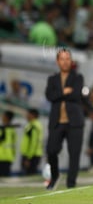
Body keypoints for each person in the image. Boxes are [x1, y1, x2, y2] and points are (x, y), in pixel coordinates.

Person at [45, 48, 85, 190]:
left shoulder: (78, 77)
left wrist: (59, 94)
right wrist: (64, 92)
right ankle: (55, 175)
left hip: (74, 122)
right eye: (62, 59)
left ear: (71, 61)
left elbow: (75, 96)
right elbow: (49, 96)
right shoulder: (52, 79)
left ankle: (71, 184)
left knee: (74, 154)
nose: (65, 62)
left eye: (67, 58)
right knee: (51, 150)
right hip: (57, 122)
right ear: (57, 61)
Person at [20, 108, 44, 175]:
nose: (26, 116)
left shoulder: (34, 126)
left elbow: (33, 143)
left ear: (32, 115)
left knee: (29, 175)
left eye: (28, 114)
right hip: (32, 154)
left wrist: (28, 158)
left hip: (32, 155)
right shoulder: (33, 125)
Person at [0, 111, 17, 177]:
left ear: (6, 117)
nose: (1, 117)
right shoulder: (12, 129)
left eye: (3, 115)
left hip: (2, 156)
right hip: (9, 156)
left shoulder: (4, 129)